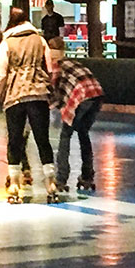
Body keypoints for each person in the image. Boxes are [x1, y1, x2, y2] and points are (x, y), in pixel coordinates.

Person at [0, 7, 56, 204]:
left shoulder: (6, 43)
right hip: (38, 94)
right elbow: (50, 67)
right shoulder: (40, 39)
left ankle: (15, 186)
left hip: (15, 96)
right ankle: (51, 184)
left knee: (15, 141)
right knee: (42, 139)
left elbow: (1, 74)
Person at [50, 47, 104, 194]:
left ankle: (61, 178)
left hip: (81, 95)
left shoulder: (56, 64)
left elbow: (53, 87)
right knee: (83, 133)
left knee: (65, 135)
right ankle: (87, 176)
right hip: (97, 93)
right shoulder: (72, 62)